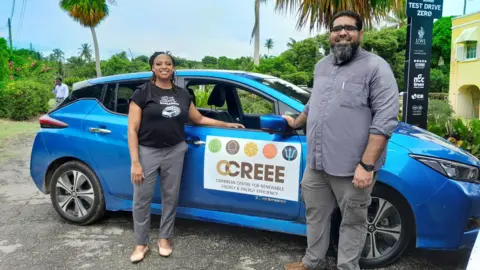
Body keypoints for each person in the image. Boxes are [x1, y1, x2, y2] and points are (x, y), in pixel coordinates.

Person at [282, 11, 399, 270]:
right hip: (317, 164)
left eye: (349, 28)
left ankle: (347, 267)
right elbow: (314, 103)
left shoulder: (376, 67)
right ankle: (312, 262)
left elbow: (385, 119)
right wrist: (296, 122)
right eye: (337, 29)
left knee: (353, 222)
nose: (342, 33)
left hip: (352, 167)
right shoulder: (321, 66)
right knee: (315, 215)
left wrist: (367, 166)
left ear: (360, 34)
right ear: (330, 35)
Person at [127, 51, 244, 263]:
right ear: (152, 68)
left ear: (173, 68)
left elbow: (198, 118)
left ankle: (164, 238)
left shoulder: (182, 94)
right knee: (141, 199)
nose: (164, 67)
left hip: (175, 150)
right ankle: (141, 243)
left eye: (168, 63)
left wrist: (226, 124)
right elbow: (132, 128)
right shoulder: (142, 93)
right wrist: (135, 162)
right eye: (159, 63)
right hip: (148, 151)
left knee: (170, 197)